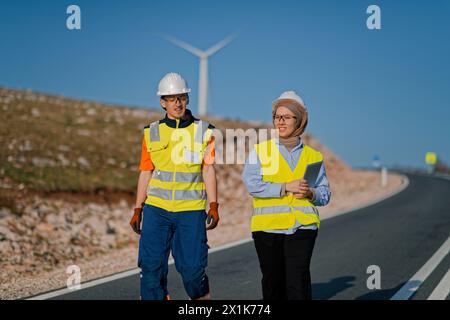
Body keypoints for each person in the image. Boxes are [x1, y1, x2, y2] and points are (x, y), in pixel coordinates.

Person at [130, 72, 219, 300]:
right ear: (163, 102)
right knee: (150, 269)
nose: (177, 103)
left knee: (192, 271)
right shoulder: (152, 132)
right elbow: (145, 172)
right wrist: (138, 208)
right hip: (157, 210)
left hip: (190, 211)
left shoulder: (204, 130)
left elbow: (208, 169)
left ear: (187, 99)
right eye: (171, 99)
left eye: (181, 97)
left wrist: (214, 205)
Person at [242, 90, 331, 300]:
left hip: (303, 227)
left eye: (286, 117)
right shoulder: (261, 151)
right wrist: (284, 187)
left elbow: (325, 194)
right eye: (276, 116)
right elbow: (252, 184)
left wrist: (310, 192)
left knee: (297, 281)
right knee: (273, 282)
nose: (279, 122)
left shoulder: (313, 156)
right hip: (268, 228)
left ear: (299, 120)